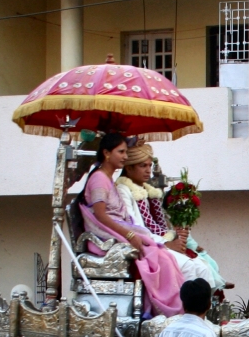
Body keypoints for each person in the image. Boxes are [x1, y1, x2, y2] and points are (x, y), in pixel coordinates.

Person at [79, 133, 185, 317]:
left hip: (117, 232)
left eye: (126, 152)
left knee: (164, 256)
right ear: (106, 153)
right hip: (106, 238)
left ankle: (171, 307)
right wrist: (130, 236)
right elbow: (101, 216)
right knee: (158, 256)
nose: (125, 157)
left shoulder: (106, 178)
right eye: (121, 152)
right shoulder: (99, 179)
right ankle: (162, 309)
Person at [116, 144, 216, 287]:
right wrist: (166, 243)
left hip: (159, 242)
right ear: (129, 168)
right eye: (143, 166)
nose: (148, 171)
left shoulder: (148, 190)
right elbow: (135, 227)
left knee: (202, 268)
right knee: (188, 267)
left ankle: (202, 309)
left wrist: (176, 236)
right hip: (145, 246)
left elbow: (160, 224)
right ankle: (183, 309)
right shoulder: (123, 190)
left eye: (150, 165)